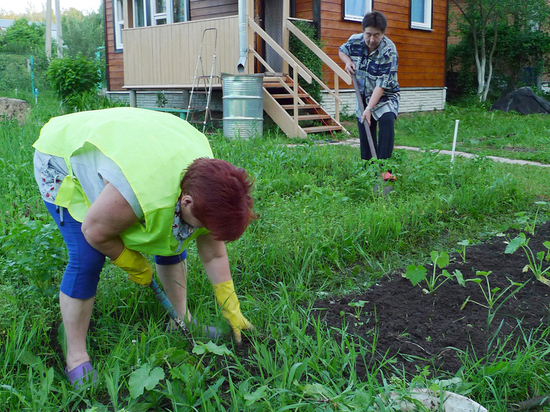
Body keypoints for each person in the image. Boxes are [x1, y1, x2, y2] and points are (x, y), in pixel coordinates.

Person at [33, 107, 256, 388]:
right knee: (87, 257)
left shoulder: (210, 188)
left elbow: (213, 252)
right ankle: (76, 357)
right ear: (185, 201)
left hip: (139, 141)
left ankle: (180, 321)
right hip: (62, 155)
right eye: (204, 225)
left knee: (174, 238)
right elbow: (95, 231)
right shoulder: (139, 193)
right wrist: (130, 261)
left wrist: (231, 307)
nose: (205, 233)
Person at [339, 10, 400, 181]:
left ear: (383, 34)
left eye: (376, 35)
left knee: (387, 120)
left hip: (385, 95)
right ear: (363, 31)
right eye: (368, 34)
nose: (372, 40)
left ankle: (384, 169)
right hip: (363, 94)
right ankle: (367, 171)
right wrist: (348, 61)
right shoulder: (355, 40)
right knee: (366, 130)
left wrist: (369, 108)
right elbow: (342, 50)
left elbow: (382, 84)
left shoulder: (389, 51)